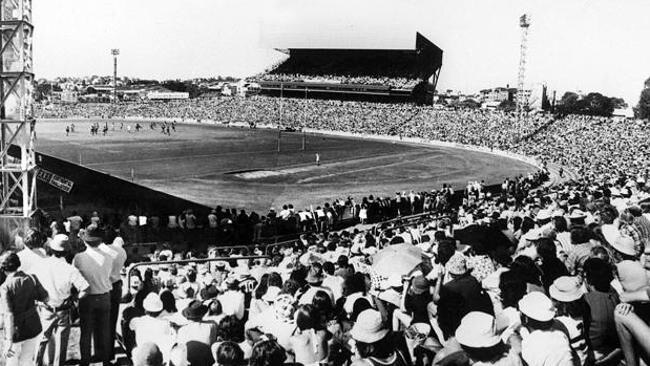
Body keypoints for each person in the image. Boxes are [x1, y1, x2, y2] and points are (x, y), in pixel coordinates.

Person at [36, 234, 90, 366]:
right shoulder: (70, 269)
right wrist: (74, 298)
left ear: (52, 249)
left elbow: (33, 282)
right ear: (67, 251)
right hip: (63, 310)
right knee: (61, 343)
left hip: (46, 308)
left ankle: (36, 363)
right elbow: (86, 289)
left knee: (41, 341)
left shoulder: (41, 264)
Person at [72, 226, 114, 366]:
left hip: (87, 297)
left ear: (85, 241)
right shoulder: (109, 256)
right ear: (100, 240)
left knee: (86, 331)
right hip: (104, 296)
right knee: (105, 330)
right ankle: (106, 360)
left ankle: (85, 361)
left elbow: (74, 277)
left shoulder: (79, 257)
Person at [0, 251, 49, 366]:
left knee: (12, 361)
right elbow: (46, 298)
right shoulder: (31, 278)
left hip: (16, 331)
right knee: (27, 360)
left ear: (3, 268)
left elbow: (9, 315)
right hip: (33, 326)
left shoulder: (5, 287)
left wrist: (8, 340)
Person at [99, 230, 127, 361]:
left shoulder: (105, 250)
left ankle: (103, 351)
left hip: (105, 286)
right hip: (115, 285)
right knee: (112, 321)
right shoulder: (121, 252)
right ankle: (109, 352)